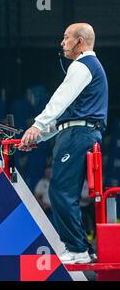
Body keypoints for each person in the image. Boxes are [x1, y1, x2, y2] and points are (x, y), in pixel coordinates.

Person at [20, 23, 108, 264]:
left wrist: (36, 125)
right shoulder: (88, 69)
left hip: (77, 135)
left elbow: (59, 100)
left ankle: (77, 249)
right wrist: (36, 137)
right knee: (63, 191)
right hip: (78, 133)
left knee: (60, 191)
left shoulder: (82, 65)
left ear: (80, 42)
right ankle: (82, 249)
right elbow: (65, 115)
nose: (62, 42)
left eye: (66, 37)